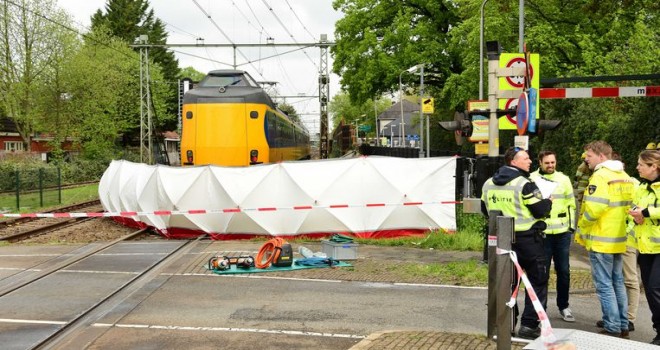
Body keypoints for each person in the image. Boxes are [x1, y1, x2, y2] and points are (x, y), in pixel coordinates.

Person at [481, 147, 553, 340]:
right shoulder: (525, 184)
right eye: (526, 158)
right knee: (537, 281)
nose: (530, 161)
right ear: (513, 161)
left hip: (502, 240)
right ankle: (529, 326)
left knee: (507, 283)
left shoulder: (488, 183)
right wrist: (548, 202)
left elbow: (484, 209)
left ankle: (506, 326)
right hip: (528, 240)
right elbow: (540, 210)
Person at [576, 140, 633, 338]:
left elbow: (594, 208)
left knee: (604, 285)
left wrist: (582, 227)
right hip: (619, 239)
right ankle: (623, 325)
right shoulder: (625, 176)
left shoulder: (600, 176)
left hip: (601, 239)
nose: (586, 160)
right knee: (618, 282)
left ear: (601, 156)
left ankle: (612, 326)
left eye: (589, 156)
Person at [531, 150, 576, 323]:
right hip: (543, 233)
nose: (550, 165)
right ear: (540, 162)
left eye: (553, 162)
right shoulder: (532, 179)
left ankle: (564, 306)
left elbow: (571, 204)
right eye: (547, 163)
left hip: (562, 234)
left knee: (563, 271)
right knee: (542, 272)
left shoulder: (564, 179)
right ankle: (540, 309)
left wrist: (571, 228)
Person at [628, 149, 660, 345]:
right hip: (646, 245)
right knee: (649, 289)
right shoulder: (641, 187)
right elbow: (634, 206)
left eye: (641, 164)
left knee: (656, 287)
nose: (637, 167)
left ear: (654, 166)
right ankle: (658, 330)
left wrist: (645, 212)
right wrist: (636, 213)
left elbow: (648, 210)